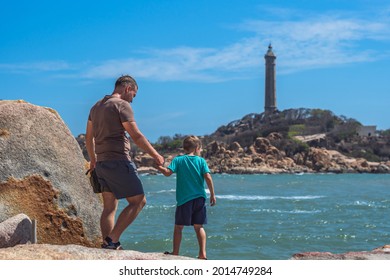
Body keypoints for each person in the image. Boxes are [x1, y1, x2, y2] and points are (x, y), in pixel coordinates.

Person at [86, 75, 164, 250]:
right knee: (139, 201)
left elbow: (89, 138)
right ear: (128, 88)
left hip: (102, 164)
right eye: (134, 95)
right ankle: (112, 240)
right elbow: (136, 135)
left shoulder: (96, 107)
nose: (133, 100)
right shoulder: (122, 105)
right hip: (119, 161)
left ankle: (107, 244)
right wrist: (156, 155)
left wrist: (93, 160)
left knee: (109, 207)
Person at [157, 135, 216, 259]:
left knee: (179, 227)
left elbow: (168, 173)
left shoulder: (178, 160)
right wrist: (212, 194)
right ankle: (202, 254)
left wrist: (159, 167)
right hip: (200, 198)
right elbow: (208, 177)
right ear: (197, 148)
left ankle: (176, 253)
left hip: (184, 199)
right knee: (199, 226)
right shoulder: (201, 161)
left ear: (185, 148)